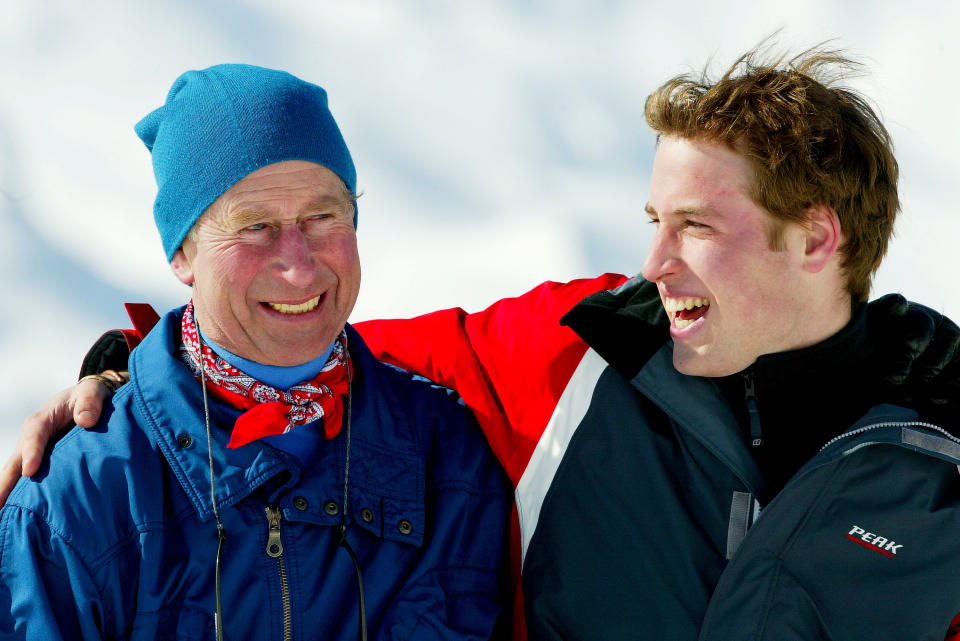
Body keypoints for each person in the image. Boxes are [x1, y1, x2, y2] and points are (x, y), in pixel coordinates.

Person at [6, 44, 960, 640]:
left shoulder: (940, 468)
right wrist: (125, 368)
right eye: (653, 218)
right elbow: (306, 339)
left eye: (697, 228)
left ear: (819, 236)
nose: (652, 260)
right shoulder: (572, 357)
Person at [0, 64, 511, 641]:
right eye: (254, 226)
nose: (298, 264)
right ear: (183, 255)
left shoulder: (453, 455)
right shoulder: (78, 497)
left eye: (322, 216)